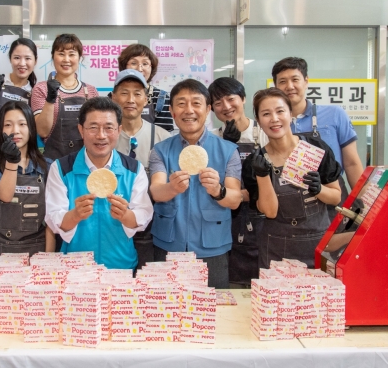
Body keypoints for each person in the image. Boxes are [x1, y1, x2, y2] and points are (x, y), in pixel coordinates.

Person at [149, 79, 243, 289]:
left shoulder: (228, 151)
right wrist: (171, 188)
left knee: (215, 312)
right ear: (172, 111)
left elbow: (235, 199)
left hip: (213, 247)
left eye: (196, 103)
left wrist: (218, 191)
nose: (188, 110)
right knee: (165, 312)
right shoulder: (160, 151)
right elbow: (156, 191)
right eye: (181, 104)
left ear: (208, 109)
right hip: (168, 244)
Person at [45, 97, 153, 269]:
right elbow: (54, 219)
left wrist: (125, 215)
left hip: (121, 267)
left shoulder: (133, 169)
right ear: (81, 130)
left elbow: (144, 215)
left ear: (119, 130)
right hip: (75, 268)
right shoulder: (61, 169)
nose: (101, 135)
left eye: (108, 128)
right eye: (93, 128)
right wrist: (76, 215)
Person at [243, 88, 342, 269]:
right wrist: (262, 175)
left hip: (318, 245)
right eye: (266, 114)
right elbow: (270, 212)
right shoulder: (254, 162)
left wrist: (319, 189)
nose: (274, 119)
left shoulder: (316, 148)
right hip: (276, 250)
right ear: (258, 120)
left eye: (280, 111)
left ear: (290, 114)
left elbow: (336, 197)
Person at [271, 57, 364, 220]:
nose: (290, 86)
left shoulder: (335, 115)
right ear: (276, 86)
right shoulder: (274, 124)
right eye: (283, 81)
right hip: (291, 205)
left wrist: (362, 200)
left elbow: (351, 163)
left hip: (333, 196)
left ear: (306, 81)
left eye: (295, 79)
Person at [208, 77, 269, 287]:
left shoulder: (263, 133)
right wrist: (225, 147)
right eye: (217, 103)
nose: (225, 107)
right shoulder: (212, 138)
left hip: (260, 215)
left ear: (242, 99)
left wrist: (243, 195)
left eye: (230, 99)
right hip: (226, 216)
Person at [110, 69, 171, 269]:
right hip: (112, 228)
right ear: (113, 97)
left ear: (146, 99)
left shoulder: (163, 138)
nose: (131, 99)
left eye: (137, 93)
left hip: (153, 232)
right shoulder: (103, 139)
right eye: (124, 92)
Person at [0, 101, 55, 259]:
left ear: (31, 129)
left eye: (22, 124)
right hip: (0, 251)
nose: (15, 131)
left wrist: (49, 258)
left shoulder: (48, 166)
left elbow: (51, 219)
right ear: (0, 130)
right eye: (8, 125)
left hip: (38, 249)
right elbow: (6, 195)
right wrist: (11, 162)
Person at [32, 33, 100, 161]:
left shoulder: (91, 91)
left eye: (72, 54)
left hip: (86, 161)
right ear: (53, 57)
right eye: (61, 53)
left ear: (80, 58)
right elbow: (42, 131)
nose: (66, 59)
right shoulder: (41, 89)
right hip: (54, 162)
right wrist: (50, 98)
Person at [117, 44, 174, 132]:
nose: (139, 69)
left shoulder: (161, 97)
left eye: (145, 63)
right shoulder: (112, 96)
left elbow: (164, 137)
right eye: (133, 63)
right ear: (124, 66)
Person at [0, 38, 38, 125]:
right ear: (10, 59)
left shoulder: (35, 93)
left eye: (27, 58)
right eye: (17, 58)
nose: (22, 63)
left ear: (35, 61)